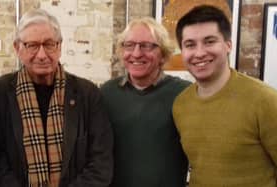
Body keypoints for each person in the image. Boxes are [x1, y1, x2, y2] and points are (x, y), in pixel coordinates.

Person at [0, 9, 113, 187]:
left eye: (49, 44)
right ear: (17, 48)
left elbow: (100, 163)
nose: (42, 55)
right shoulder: (0, 92)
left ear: (60, 46)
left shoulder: (87, 94)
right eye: (32, 45)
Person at [173, 5, 277, 187]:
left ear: (228, 45)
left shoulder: (265, 100)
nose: (199, 53)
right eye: (190, 45)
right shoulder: (181, 105)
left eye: (209, 41)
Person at [101, 17, 190, 187]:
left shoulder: (184, 93)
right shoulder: (106, 93)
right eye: (129, 45)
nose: (136, 53)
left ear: (163, 54)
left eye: (146, 46)